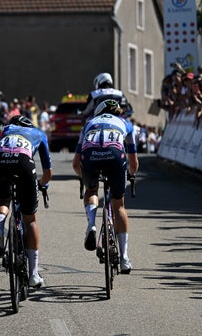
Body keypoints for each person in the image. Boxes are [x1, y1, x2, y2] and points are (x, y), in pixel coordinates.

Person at [0, 115, 52, 288]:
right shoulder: (39, 133)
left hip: (1, 164)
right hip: (24, 164)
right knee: (30, 219)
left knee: (3, 200)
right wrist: (41, 185)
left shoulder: (4, 132)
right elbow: (47, 173)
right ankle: (34, 274)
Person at [73, 98, 139, 274]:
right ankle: (124, 258)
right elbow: (134, 163)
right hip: (115, 157)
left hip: (91, 157)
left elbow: (75, 163)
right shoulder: (126, 124)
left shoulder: (89, 124)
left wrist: (85, 179)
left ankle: (92, 224)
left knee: (92, 190)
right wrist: (131, 174)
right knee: (119, 204)